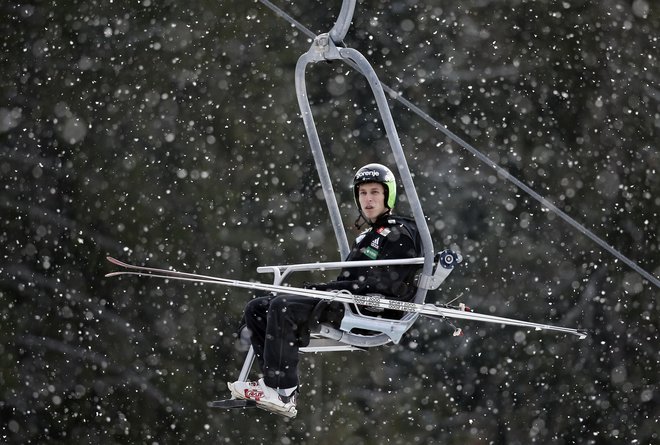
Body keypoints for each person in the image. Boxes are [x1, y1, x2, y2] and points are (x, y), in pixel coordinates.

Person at [228, 163, 422, 417]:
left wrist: (328, 288)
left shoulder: (399, 233)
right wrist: (327, 289)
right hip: (347, 300)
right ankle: (272, 384)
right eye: (363, 193)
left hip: (370, 309)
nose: (368, 199)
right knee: (257, 308)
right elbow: (354, 278)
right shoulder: (368, 235)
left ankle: (283, 389)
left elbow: (381, 284)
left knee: (283, 307)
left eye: (375, 192)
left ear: (389, 195)